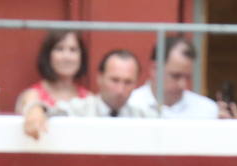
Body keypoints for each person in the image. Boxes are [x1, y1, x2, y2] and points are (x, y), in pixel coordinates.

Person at [22, 49, 157, 138]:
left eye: (128, 82)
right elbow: (45, 110)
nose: (120, 89)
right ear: (100, 78)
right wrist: (35, 109)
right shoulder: (79, 109)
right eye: (114, 80)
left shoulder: (146, 117)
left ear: (136, 83)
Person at [127, 34, 218, 119]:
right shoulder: (129, 106)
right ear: (154, 69)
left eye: (187, 77)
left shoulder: (207, 110)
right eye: (176, 76)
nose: (183, 84)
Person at [13, 29, 89, 114]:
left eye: (73, 50)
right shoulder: (32, 96)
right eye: (59, 49)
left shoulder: (89, 98)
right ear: (48, 56)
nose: (67, 57)